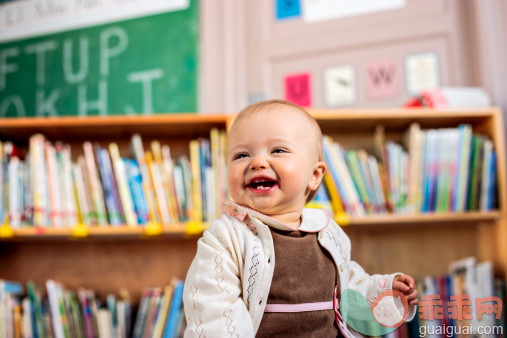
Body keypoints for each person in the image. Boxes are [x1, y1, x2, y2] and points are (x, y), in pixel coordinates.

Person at [183, 99, 418, 337]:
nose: (257, 162)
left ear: (314, 175)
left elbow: (350, 288)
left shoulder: (327, 231)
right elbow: (213, 307)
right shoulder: (226, 237)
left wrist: (388, 291)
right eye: (241, 155)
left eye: (277, 150)